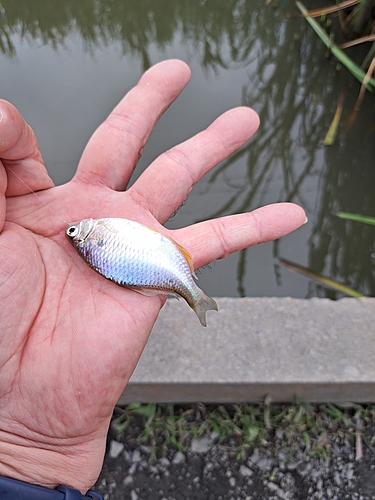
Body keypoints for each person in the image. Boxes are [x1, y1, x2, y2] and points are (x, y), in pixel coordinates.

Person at [0, 60, 306, 497]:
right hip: (158, 263)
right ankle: (193, 294)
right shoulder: (92, 236)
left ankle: (191, 293)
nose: (74, 229)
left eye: (73, 232)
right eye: (73, 232)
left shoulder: (92, 237)